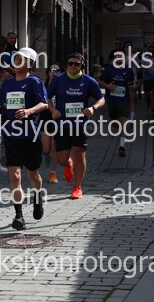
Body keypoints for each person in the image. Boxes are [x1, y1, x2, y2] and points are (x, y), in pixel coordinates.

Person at [0, 48, 48, 231]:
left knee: (33, 174)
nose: (17, 61)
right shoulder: (8, 83)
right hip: (12, 134)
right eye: (16, 58)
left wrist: (29, 111)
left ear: (30, 64)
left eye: (22, 59)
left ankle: (37, 197)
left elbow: (44, 104)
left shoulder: (34, 82)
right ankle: (19, 215)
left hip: (30, 134)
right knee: (15, 175)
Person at [47, 53, 105, 199]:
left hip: (81, 123)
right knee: (61, 159)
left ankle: (77, 187)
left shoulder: (89, 81)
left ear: (82, 66)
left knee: (79, 154)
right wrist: (52, 110)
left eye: (76, 64)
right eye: (70, 63)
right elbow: (46, 97)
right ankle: (68, 164)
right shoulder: (58, 79)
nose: (72, 66)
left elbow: (101, 99)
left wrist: (93, 108)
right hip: (62, 124)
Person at [99, 51, 137, 157]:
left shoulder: (128, 70)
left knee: (123, 123)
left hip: (124, 100)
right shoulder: (108, 70)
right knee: (114, 119)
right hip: (111, 100)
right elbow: (100, 81)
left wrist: (133, 85)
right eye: (117, 56)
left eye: (121, 56)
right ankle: (115, 122)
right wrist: (108, 86)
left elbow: (132, 83)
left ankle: (122, 147)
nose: (119, 57)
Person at [40, 63, 62, 183]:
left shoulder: (63, 85)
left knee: (55, 148)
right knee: (46, 150)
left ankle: (52, 174)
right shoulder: (43, 85)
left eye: (57, 70)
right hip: (45, 119)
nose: (54, 72)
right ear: (48, 72)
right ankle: (47, 156)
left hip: (58, 119)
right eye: (52, 70)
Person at [142, 43, 154, 117]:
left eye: (153, 51)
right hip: (147, 78)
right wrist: (144, 69)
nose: (151, 52)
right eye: (150, 51)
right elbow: (141, 67)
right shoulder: (144, 58)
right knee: (147, 96)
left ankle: (153, 110)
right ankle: (148, 102)